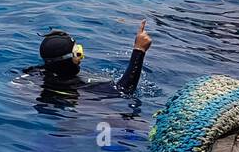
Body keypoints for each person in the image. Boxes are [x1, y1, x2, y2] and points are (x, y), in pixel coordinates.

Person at [22, 19, 151, 98]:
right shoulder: (74, 86)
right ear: (65, 61)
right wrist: (139, 50)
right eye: (78, 54)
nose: (82, 57)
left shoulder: (39, 73)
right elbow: (124, 91)